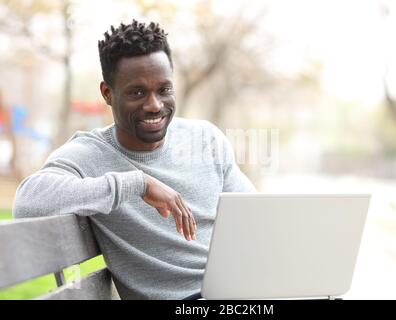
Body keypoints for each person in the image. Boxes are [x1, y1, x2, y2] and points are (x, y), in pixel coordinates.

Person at [12, 20, 255, 300]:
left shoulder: (206, 139)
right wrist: (137, 184)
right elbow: (27, 202)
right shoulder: (88, 154)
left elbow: (254, 217)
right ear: (107, 93)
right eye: (137, 92)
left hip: (239, 291)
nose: (154, 105)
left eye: (164, 89)